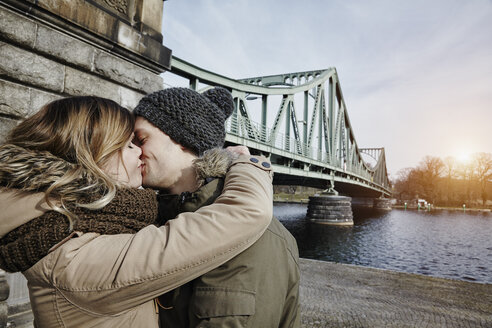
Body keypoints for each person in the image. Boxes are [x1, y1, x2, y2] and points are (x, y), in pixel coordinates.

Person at [0, 96, 274, 327]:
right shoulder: (76, 261)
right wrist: (247, 163)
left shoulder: (68, 224)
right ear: (91, 155)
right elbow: (247, 211)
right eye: (129, 144)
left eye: (139, 141)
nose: (138, 153)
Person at [133, 87, 301, 327]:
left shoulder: (255, 237)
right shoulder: (163, 218)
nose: (133, 152)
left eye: (141, 139)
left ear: (182, 138)